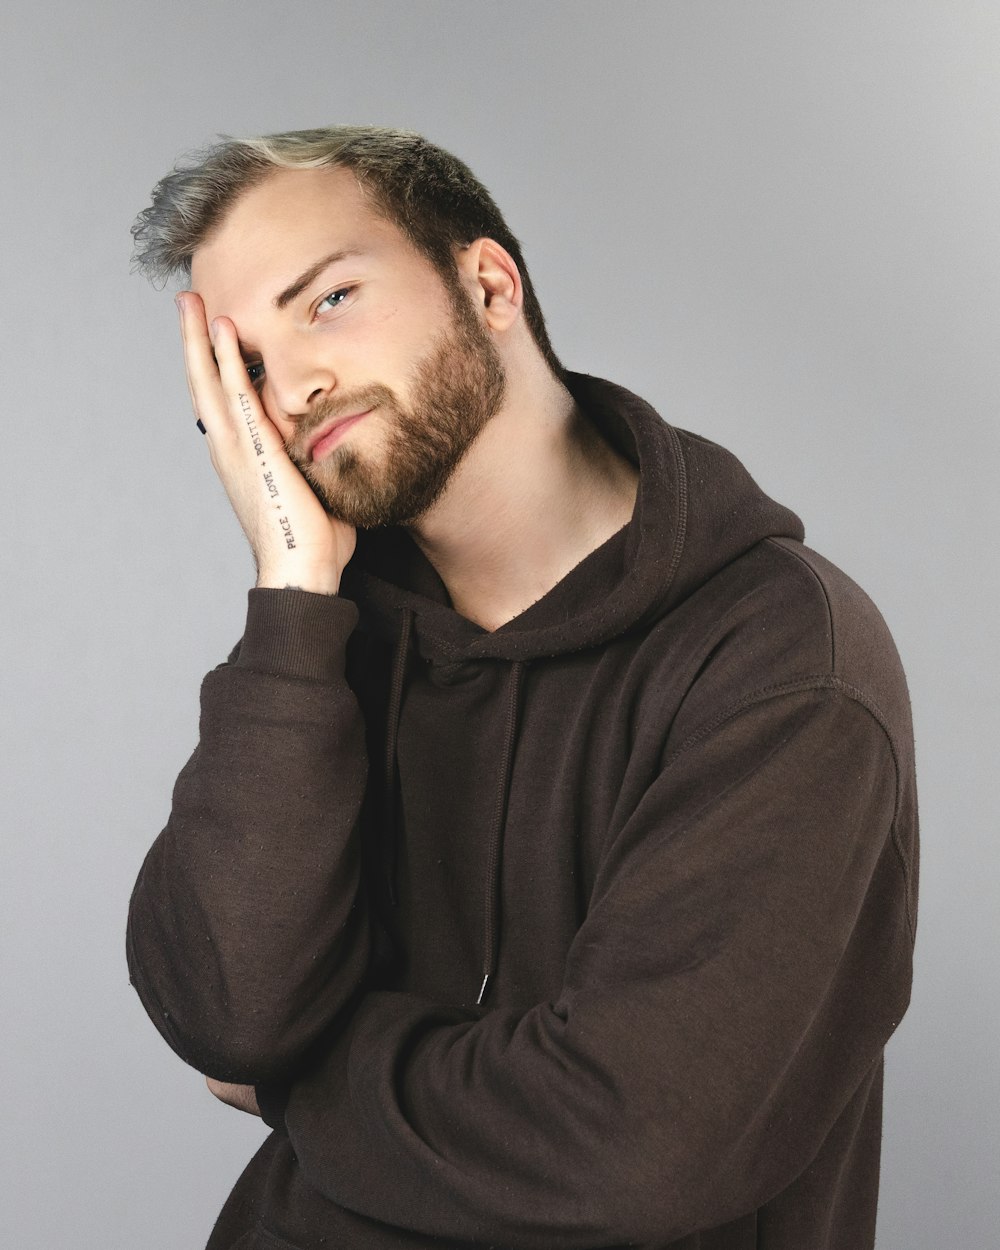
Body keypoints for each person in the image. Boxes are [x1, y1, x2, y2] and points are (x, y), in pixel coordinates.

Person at [126, 126, 918, 1250]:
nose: (290, 385)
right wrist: (293, 593)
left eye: (330, 299)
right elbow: (224, 1013)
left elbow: (628, 1140)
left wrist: (300, 1083)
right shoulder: (325, 643)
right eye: (242, 368)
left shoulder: (781, 659)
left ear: (487, 282)